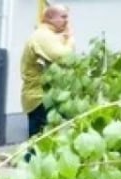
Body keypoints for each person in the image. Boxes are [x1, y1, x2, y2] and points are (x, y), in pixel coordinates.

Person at [21, 4, 75, 140]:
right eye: (63, 17)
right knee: (39, 140)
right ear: (50, 17)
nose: (67, 21)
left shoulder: (48, 35)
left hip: (45, 95)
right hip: (40, 97)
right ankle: (30, 161)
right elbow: (64, 57)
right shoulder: (43, 36)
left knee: (46, 138)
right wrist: (70, 39)